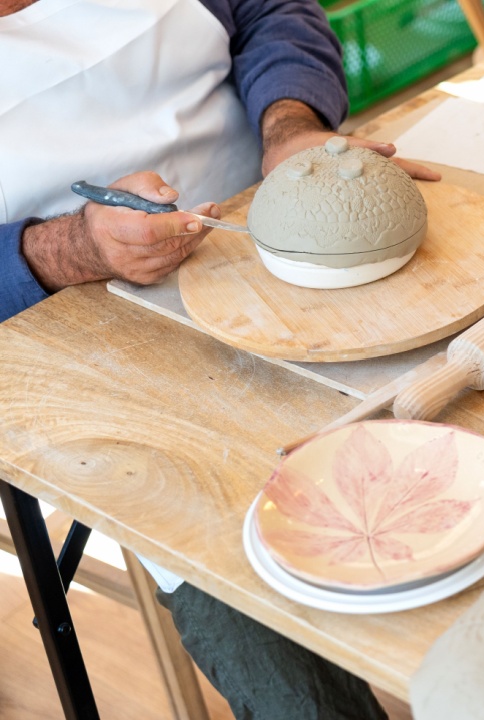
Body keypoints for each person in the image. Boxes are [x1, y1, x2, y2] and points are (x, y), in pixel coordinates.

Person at [0, 0, 437, 716]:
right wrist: (63, 249)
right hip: (103, 350)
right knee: (291, 670)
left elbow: (274, 12)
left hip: (291, 239)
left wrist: (291, 127)